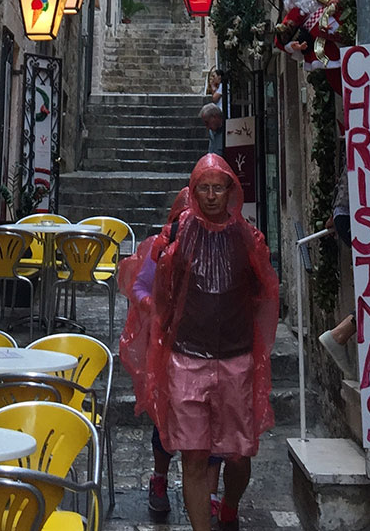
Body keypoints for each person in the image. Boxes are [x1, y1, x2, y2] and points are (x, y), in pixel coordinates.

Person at [119, 154, 279, 531]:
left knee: (239, 457)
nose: (210, 196)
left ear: (230, 191)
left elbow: (263, 293)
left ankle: (229, 505)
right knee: (193, 456)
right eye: (203, 188)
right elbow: (152, 285)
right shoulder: (177, 235)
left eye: (218, 187)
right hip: (186, 359)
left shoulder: (247, 238)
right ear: (193, 192)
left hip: (237, 360)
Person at [127, 187, 224, 521]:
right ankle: (160, 478)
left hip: (213, 349)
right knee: (166, 420)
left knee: (211, 423)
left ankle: (209, 492)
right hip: (170, 349)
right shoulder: (162, 247)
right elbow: (140, 287)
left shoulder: (219, 246)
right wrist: (154, 308)